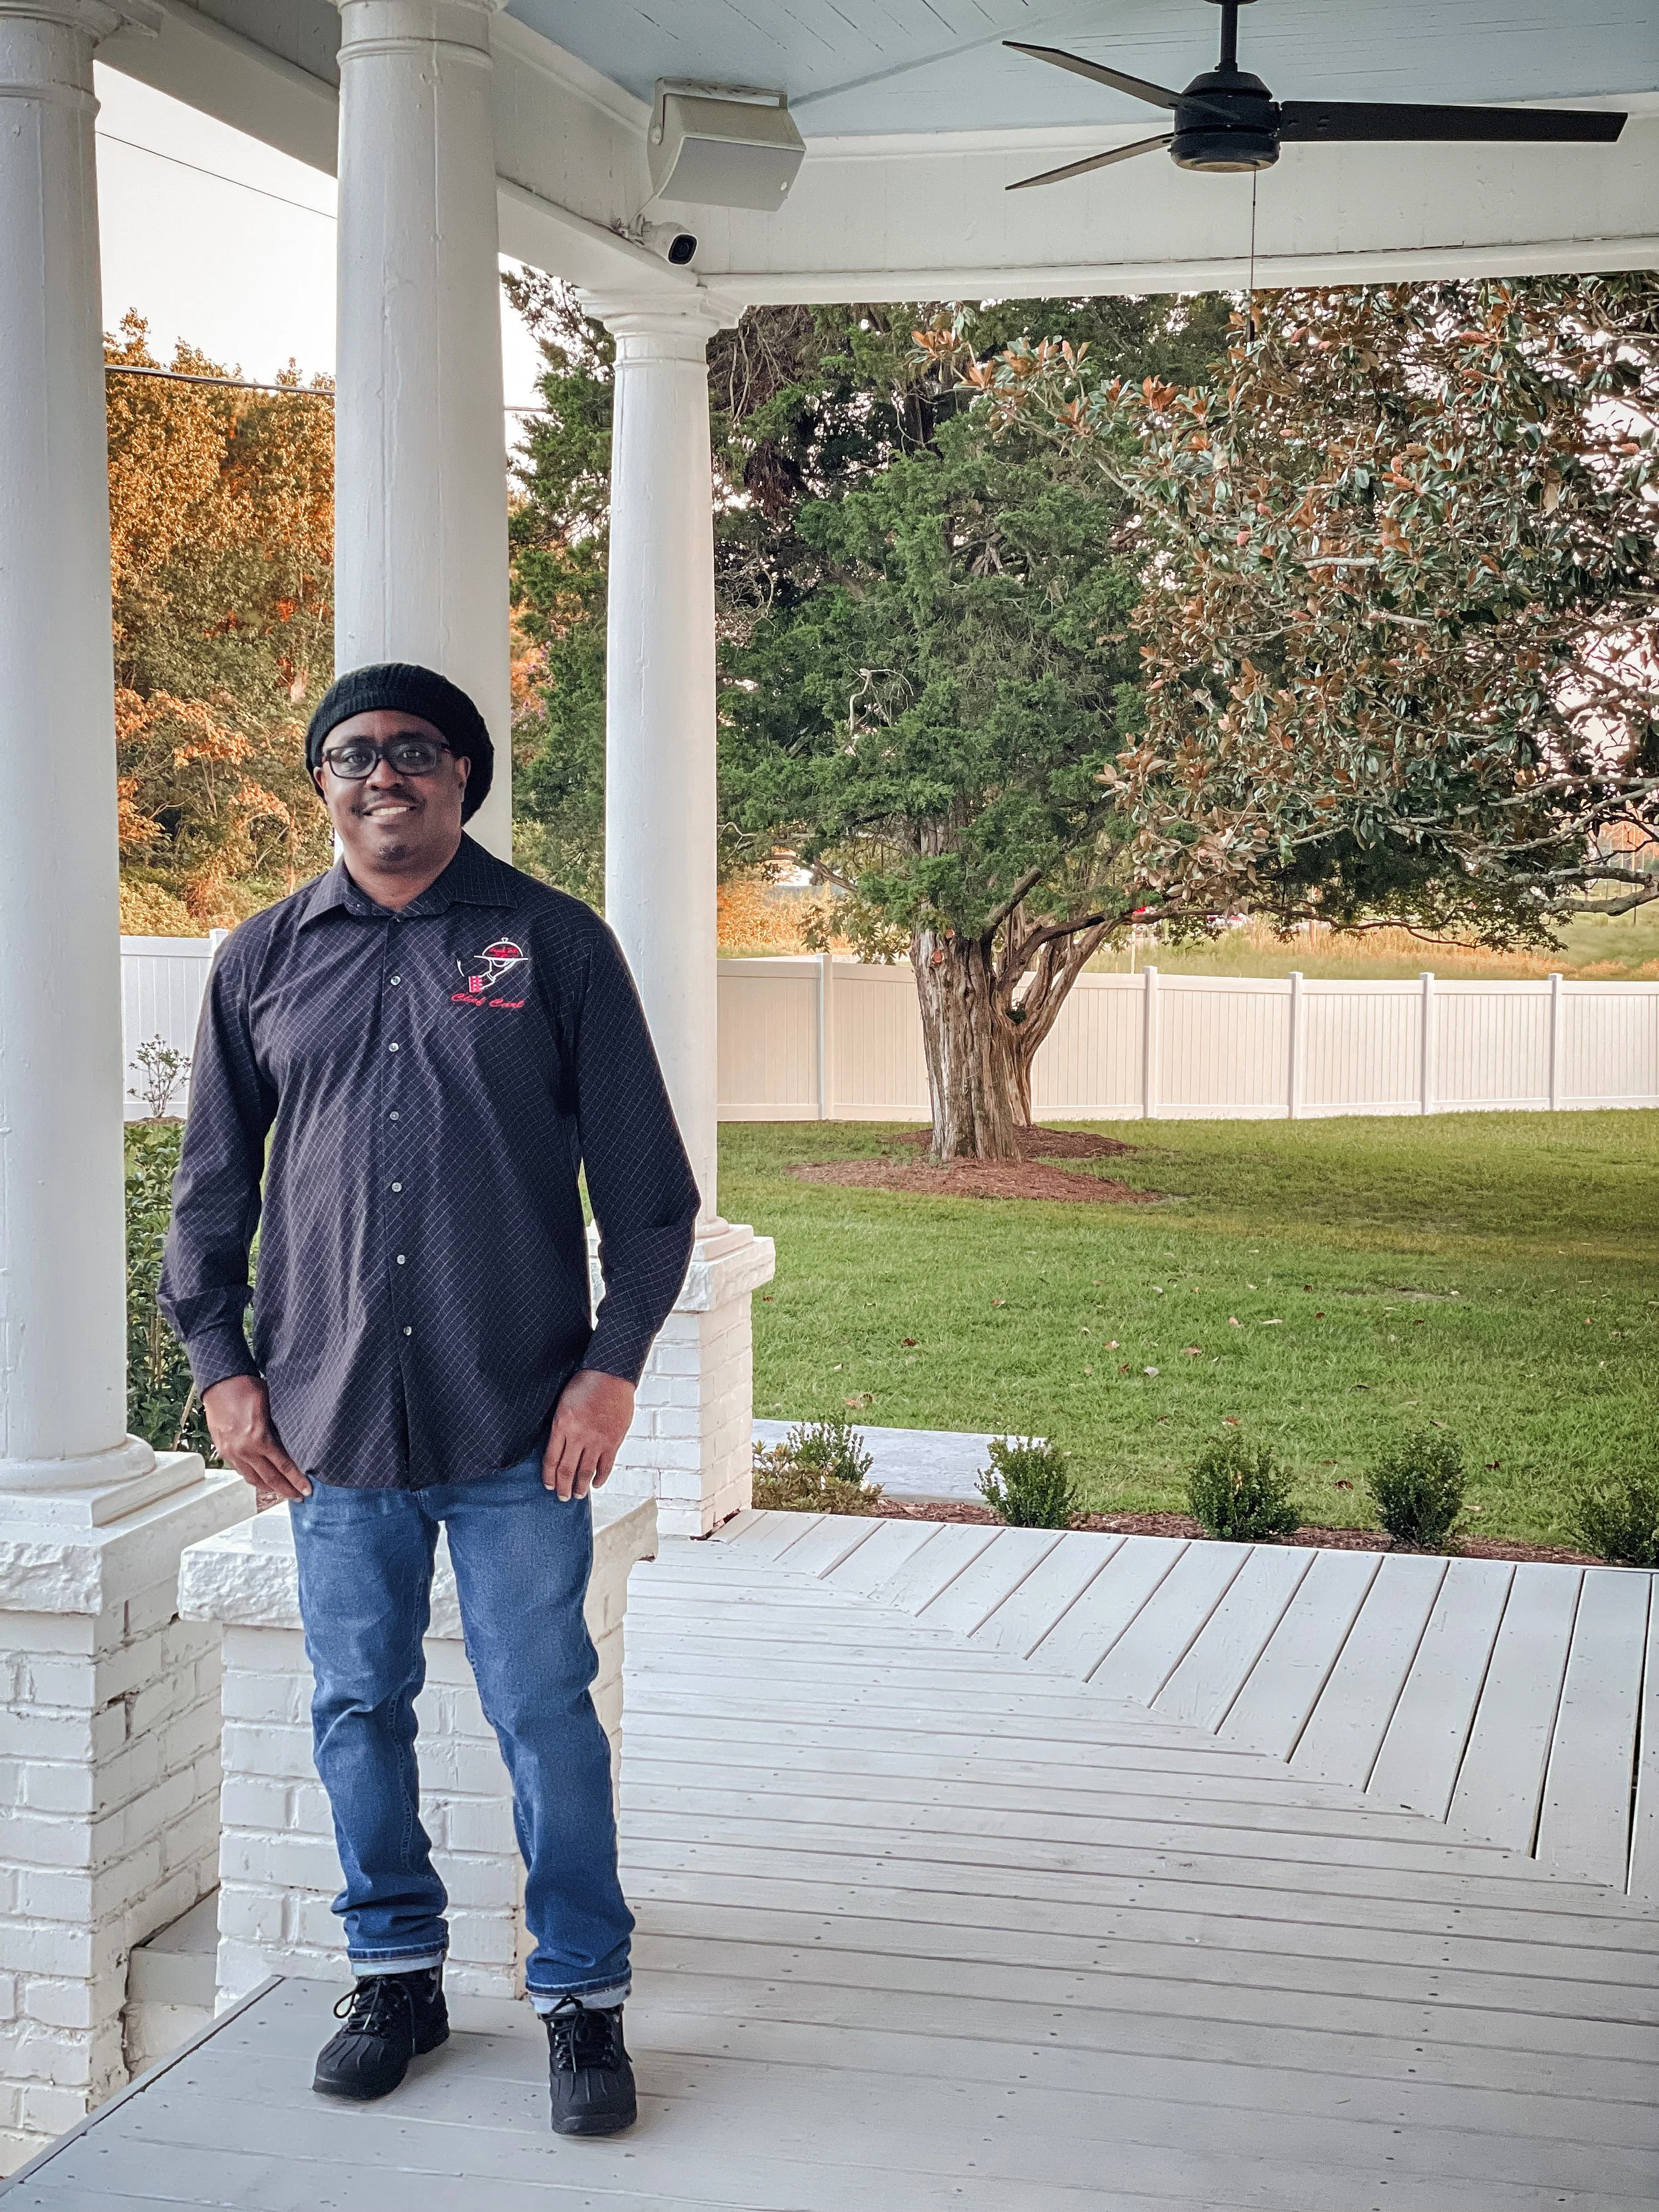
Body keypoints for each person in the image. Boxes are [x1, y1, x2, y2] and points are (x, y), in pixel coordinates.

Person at [159, 662, 697, 2136]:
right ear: (322, 782)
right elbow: (208, 1199)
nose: (381, 773)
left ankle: (581, 1999)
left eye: (414, 750)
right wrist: (222, 1371)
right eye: (352, 754)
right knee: (353, 1703)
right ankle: (393, 1970)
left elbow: (650, 1203)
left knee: (543, 1710)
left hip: (521, 1418)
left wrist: (610, 1365)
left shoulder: (553, 944)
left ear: (463, 774)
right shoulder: (261, 958)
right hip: (333, 1424)